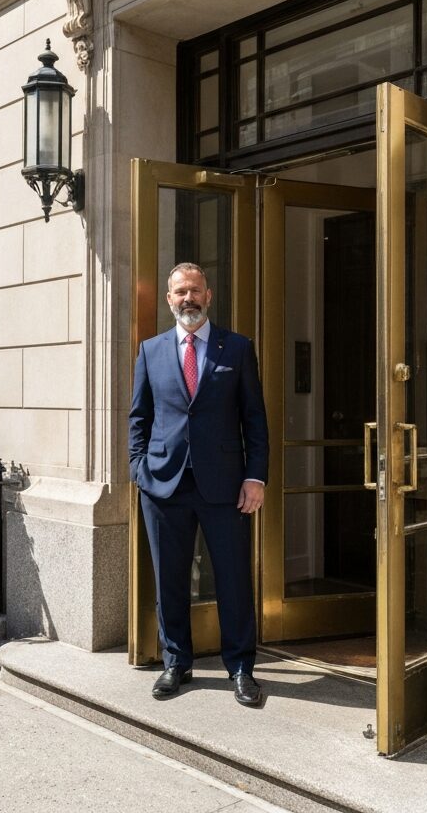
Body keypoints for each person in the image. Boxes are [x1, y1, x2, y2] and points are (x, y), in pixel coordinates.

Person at [129, 262, 269, 706]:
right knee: (170, 578)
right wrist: (139, 469)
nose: (187, 299)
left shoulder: (238, 348)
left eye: (194, 291)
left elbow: (255, 420)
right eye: (179, 293)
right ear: (169, 300)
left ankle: (242, 667)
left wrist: (254, 477)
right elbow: (139, 417)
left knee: (232, 578)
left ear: (209, 295)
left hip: (225, 487)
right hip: (163, 485)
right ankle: (177, 662)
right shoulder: (150, 351)